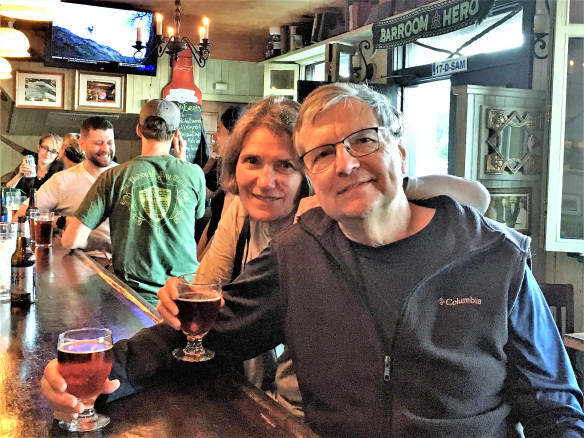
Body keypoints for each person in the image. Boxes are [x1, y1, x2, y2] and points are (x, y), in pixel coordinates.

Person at [40, 91, 500, 429]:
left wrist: (384, 186)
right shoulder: (249, 218)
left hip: (301, 408)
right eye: (252, 161)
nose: (265, 180)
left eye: (286, 165)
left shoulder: (334, 233)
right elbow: (215, 310)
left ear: (310, 172)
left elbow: (474, 197)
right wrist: (106, 370)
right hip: (279, 405)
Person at [160, 83, 584, 435]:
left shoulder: (494, 255)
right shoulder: (296, 254)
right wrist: (127, 359)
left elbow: (554, 408)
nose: (345, 164)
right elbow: (204, 335)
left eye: (363, 140)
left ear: (400, 154)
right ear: (313, 179)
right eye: (322, 154)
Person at [61, 99, 206, 304]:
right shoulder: (194, 173)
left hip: (135, 301)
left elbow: (70, 240)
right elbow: (192, 218)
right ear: (176, 134)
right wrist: (181, 164)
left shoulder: (113, 176)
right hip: (186, 297)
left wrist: (98, 242)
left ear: (138, 130)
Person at [13, 117, 117, 253]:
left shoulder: (128, 176)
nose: (105, 149)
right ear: (82, 144)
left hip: (126, 262)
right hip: (84, 260)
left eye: (110, 142)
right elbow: (20, 219)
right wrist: (62, 221)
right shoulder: (62, 181)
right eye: (98, 143)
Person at [197, 105, 248, 259]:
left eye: (219, 129)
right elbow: (215, 221)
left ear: (234, 135)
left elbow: (222, 230)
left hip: (219, 255)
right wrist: (198, 257)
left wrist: (202, 261)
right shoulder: (223, 167)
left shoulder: (239, 177)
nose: (214, 136)